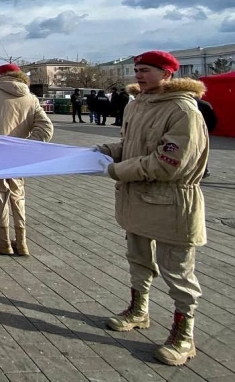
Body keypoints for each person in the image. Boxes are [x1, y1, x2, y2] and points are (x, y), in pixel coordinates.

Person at [96, 51, 208, 366]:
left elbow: (168, 162)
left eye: (146, 70)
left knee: (179, 272)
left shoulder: (183, 110)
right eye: (136, 70)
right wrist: (104, 152)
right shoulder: (136, 105)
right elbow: (131, 146)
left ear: (167, 74)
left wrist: (116, 170)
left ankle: (183, 336)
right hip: (137, 199)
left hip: (172, 202)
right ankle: (138, 310)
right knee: (138, 259)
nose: (139, 75)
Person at [0, 63, 53, 256]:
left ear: (0, 76)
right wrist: (27, 146)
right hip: (18, 156)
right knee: (18, 193)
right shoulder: (31, 98)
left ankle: (3, 240)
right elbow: (46, 129)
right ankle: (21, 242)